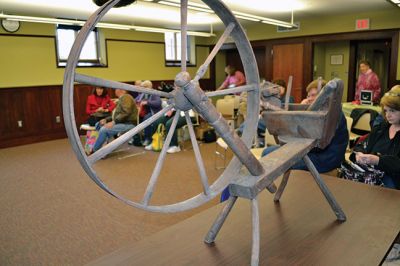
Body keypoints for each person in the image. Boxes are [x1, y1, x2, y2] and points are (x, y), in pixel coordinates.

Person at [350, 85, 400, 189]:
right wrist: (359, 154)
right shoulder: (381, 128)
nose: (388, 115)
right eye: (385, 111)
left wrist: (378, 160)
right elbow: (361, 145)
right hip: (371, 176)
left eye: (392, 111)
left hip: (393, 180)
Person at [90, 88, 138, 154]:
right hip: (122, 122)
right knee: (98, 124)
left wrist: (113, 122)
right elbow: (115, 115)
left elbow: (126, 113)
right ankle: (102, 147)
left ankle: (95, 151)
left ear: (122, 90)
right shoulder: (121, 99)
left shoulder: (126, 97)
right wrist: (106, 120)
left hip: (129, 124)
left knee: (104, 130)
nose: (115, 90)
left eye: (116, 89)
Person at [133, 80, 162, 146]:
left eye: (144, 87)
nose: (142, 88)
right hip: (145, 113)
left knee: (146, 118)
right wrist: (137, 102)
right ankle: (137, 138)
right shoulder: (143, 94)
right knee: (134, 118)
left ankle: (148, 139)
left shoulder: (154, 93)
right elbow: (135, 100)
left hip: (154, 113)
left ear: (149, 87)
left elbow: (158, 103)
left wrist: (147, 102)